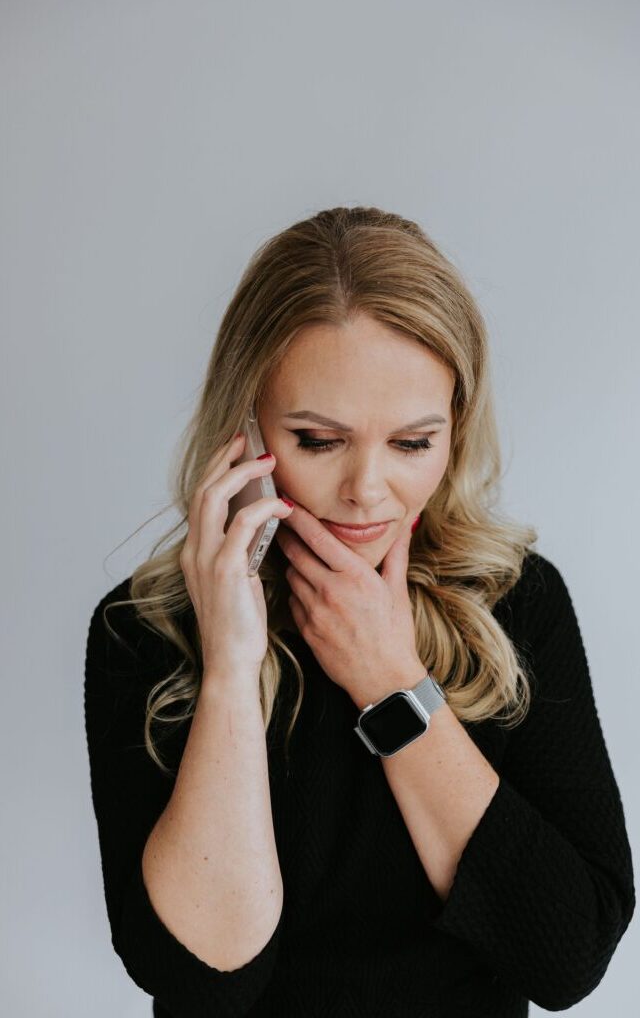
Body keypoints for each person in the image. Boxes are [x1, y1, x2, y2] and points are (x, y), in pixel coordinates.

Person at [84, 205, 635, 1018]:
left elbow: (567, 958)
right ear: (246, 425)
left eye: (412, 443)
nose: (367, 491)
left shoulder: (516, 603)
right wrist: (231, 667)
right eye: (318, 439)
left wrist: (390, 681)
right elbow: (202, 980)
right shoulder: (146, 629)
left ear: (455, 429)